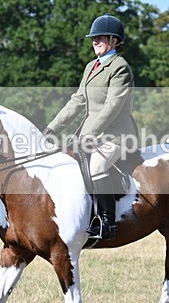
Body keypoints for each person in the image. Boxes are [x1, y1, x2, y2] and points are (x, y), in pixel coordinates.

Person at [43, 14, 138, 240]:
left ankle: (107, 223)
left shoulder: (120, 68)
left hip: (116, 135)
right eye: (93, 38)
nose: (95, 41)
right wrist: (52, 128)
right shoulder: (91, 67)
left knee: (96, 167)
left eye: (100, 38)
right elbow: (77, 101)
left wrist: (87, 135)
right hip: (92, 133)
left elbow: (112, 106)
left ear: (114, 41)